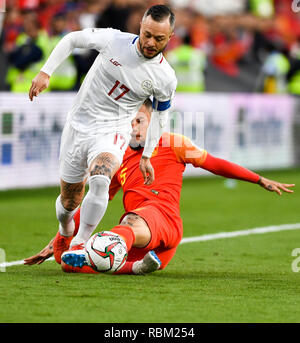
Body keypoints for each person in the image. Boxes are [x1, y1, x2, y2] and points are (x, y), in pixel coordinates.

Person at [24, 100, 295, 275]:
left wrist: (259, 179)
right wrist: (59, 239)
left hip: (162, 221)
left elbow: (214, 163)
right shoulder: (116, 158)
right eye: (128, 122)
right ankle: (135, 267)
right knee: (64, 261)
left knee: (130, 219)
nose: (134, 127)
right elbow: (97, 199)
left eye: (139, 121)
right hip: (148, 249)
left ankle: (114, 253)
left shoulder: (172, 143)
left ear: (152, 121)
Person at [28, 4, 177, 262]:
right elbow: (73, 39)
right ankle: (66, 230)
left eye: (159, 38)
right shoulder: (113, 40)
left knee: (100, 178)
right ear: (140, 27)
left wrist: (147, 155)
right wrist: (45, 71)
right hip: (78, 125)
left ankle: (80, 244)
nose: (151, 42)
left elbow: (161, 116)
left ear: (170, 37)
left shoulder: (165, 78)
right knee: (68, 201)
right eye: (147, 35)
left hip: (113, 130)